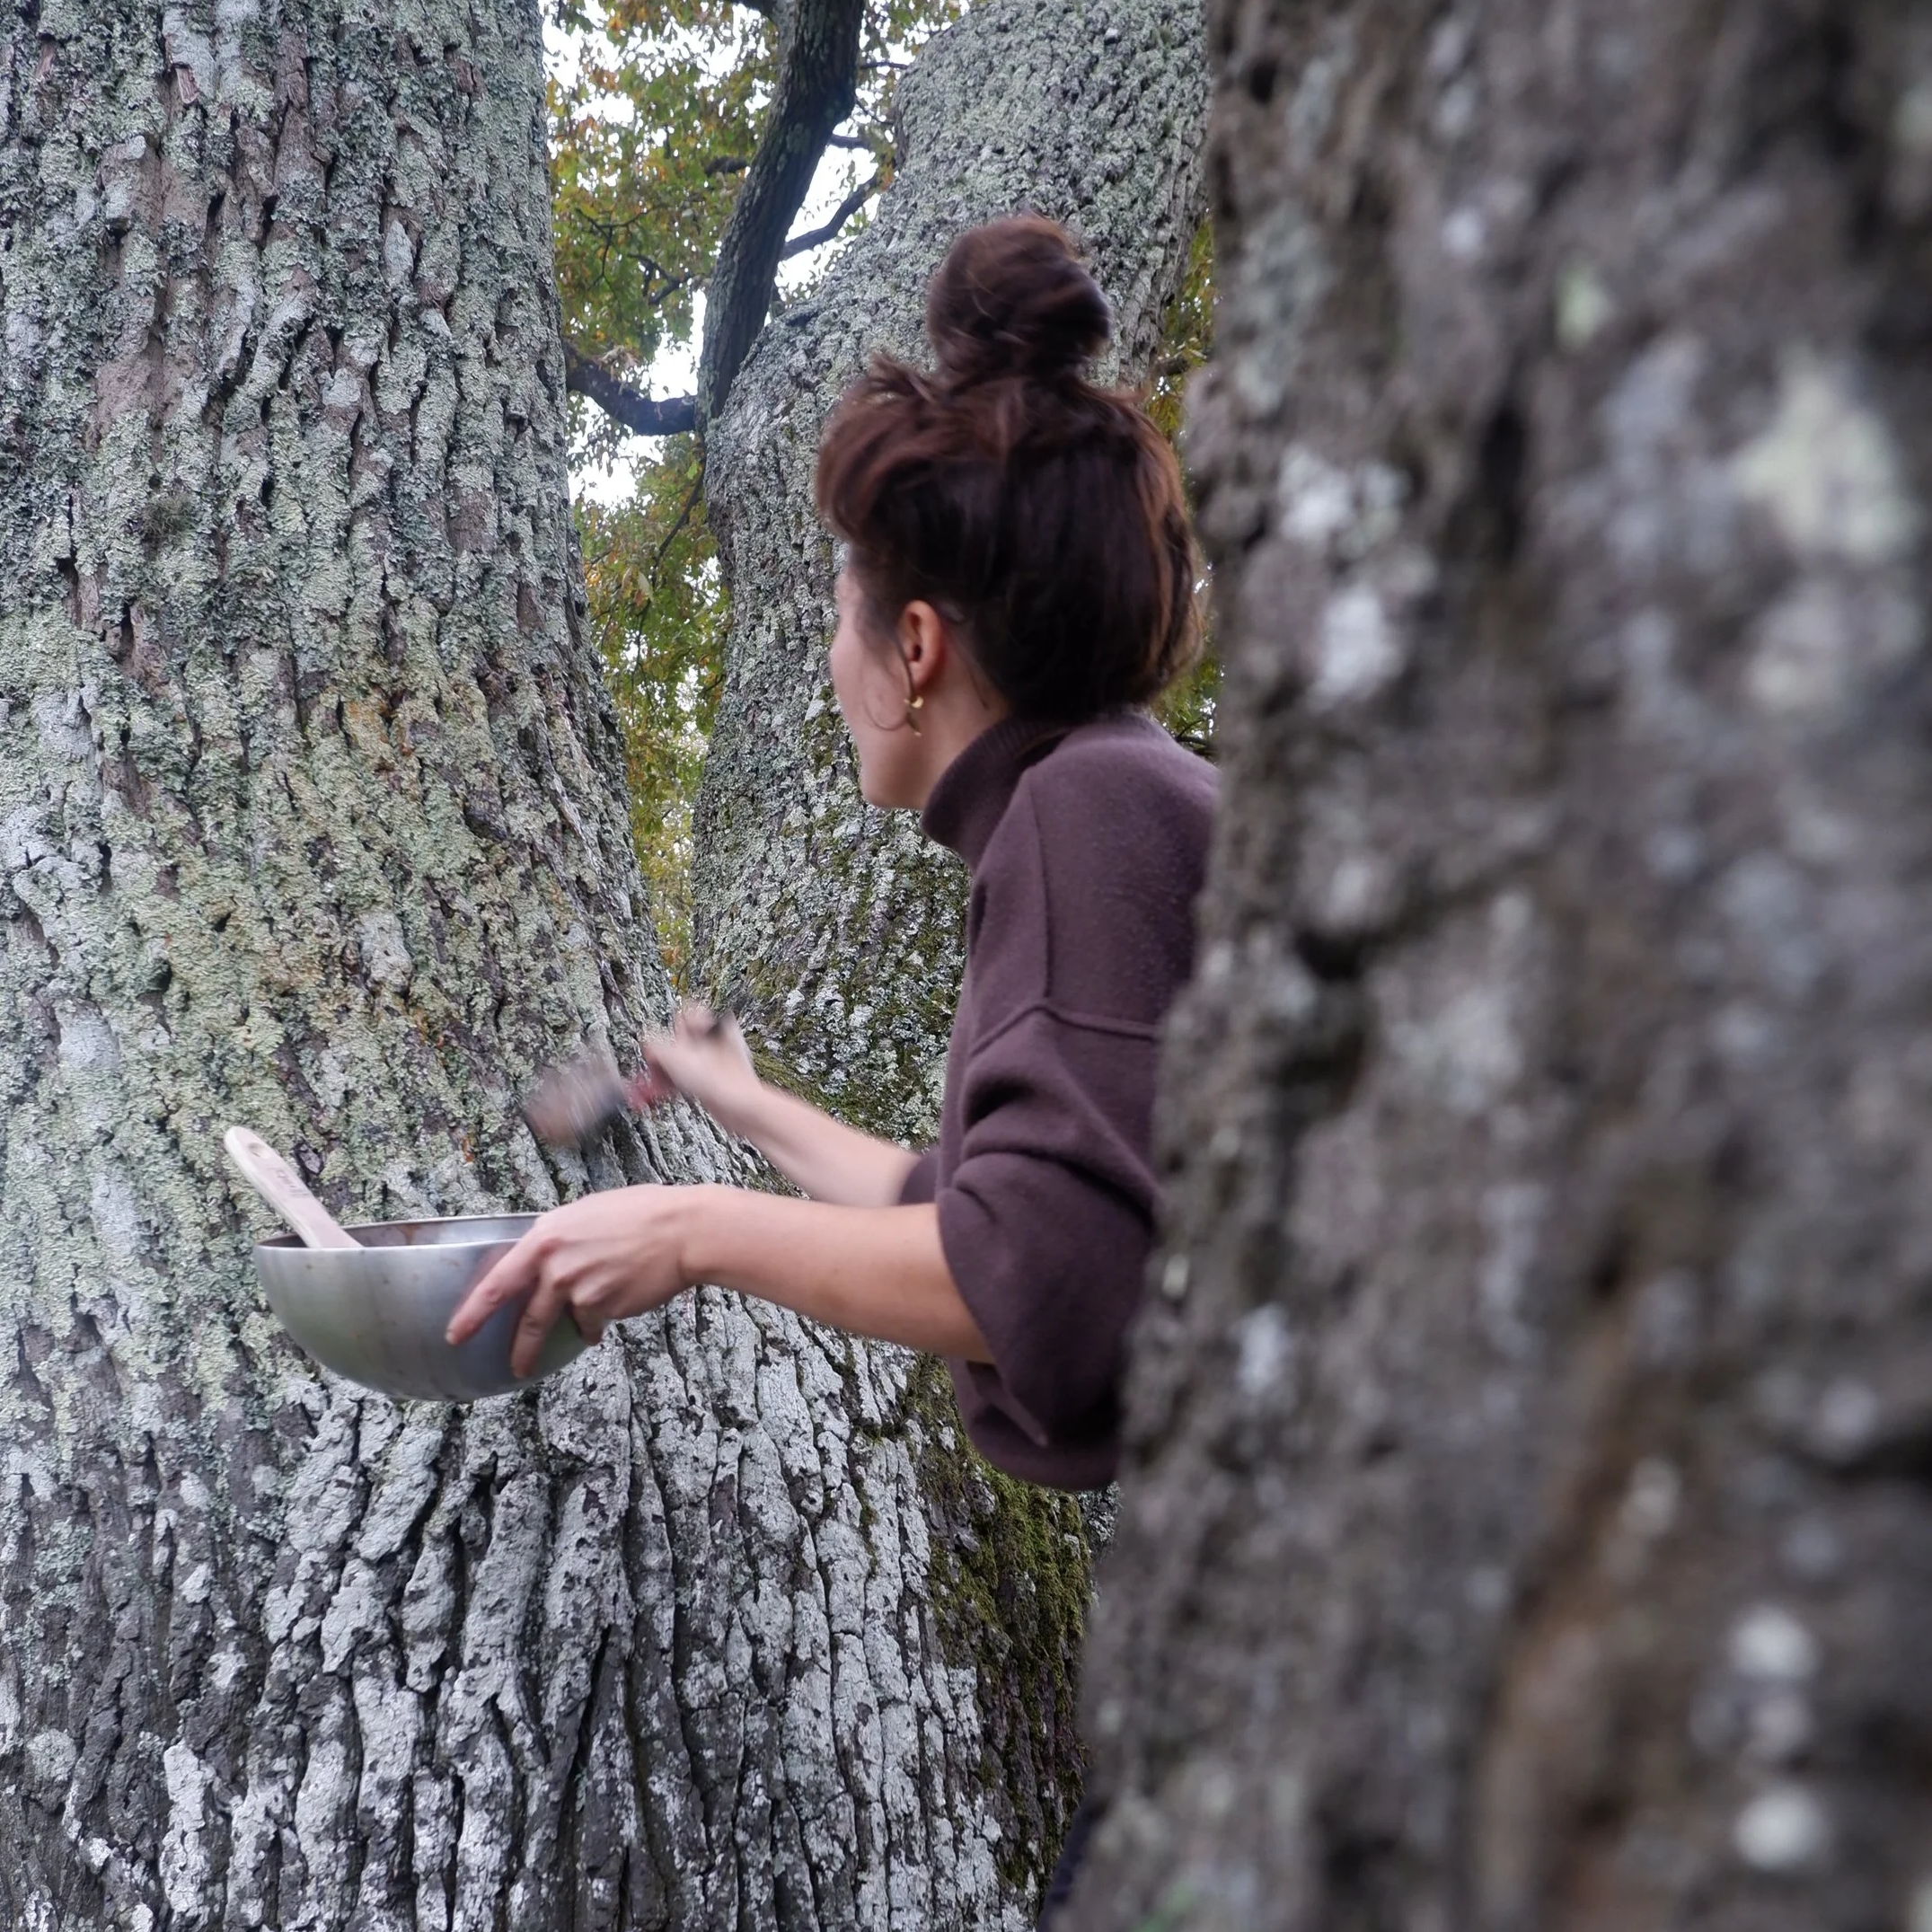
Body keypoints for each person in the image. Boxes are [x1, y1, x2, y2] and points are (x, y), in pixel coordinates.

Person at [447, 215, 1216, 1916]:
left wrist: (691, 1239)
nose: (828, 658)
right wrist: (736, 1104)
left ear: (920, 647)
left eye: (837, 614)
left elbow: (1044, 1276)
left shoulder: (1089, 817)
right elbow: (964, 1212)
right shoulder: (1110, 798)